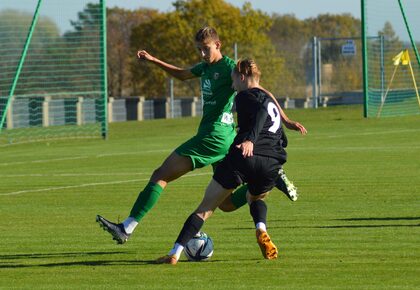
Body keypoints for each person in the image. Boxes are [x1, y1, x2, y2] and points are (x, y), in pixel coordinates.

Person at [96, 26, 301, 245]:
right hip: (227, 140)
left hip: (213, 137)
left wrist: (286, 120)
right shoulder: (204, 67)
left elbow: (260, 91)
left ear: (218, 45)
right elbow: (183, 74)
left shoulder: (230, 67)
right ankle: (269, 182)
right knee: (226, 204)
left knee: (161, 175)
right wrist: (155, 60)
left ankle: (127, 227)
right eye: (199, 50)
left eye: (206, 49)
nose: (202, 54)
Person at [156, 58, 307, 264]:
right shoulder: (269, 99)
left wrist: (250, 140)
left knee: (205, 209)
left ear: (242, 77)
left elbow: (261, 113)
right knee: (255, 198)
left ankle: (175, 253)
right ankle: (261, 229)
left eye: (233, 79)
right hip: (272, 163)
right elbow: (276, 128)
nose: (232, 84)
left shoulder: (245, 96)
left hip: (244, 156)